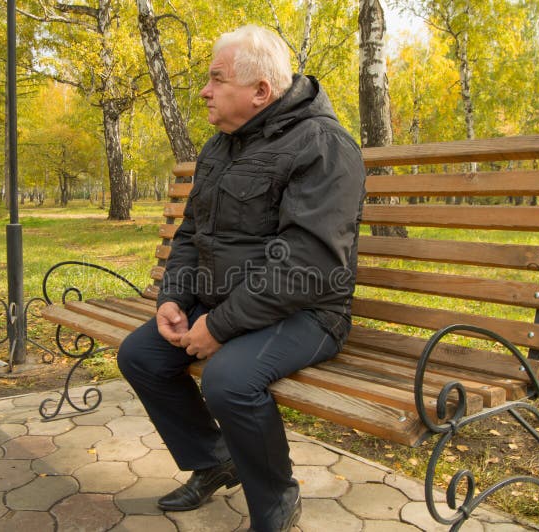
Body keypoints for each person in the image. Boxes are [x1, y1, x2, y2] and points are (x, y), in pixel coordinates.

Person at [117, 24, 366, 532]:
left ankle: (276, 497)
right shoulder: (221, 145)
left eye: (216, 79)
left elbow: (308, 266)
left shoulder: (324, 146)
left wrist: (221, 326)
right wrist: (175, 297)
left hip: (309, 311)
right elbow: (191, 232)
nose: (205, 91)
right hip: (228, 305)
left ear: (260, 92)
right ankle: (216, 460)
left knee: (229, 380)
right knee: (141, 355)